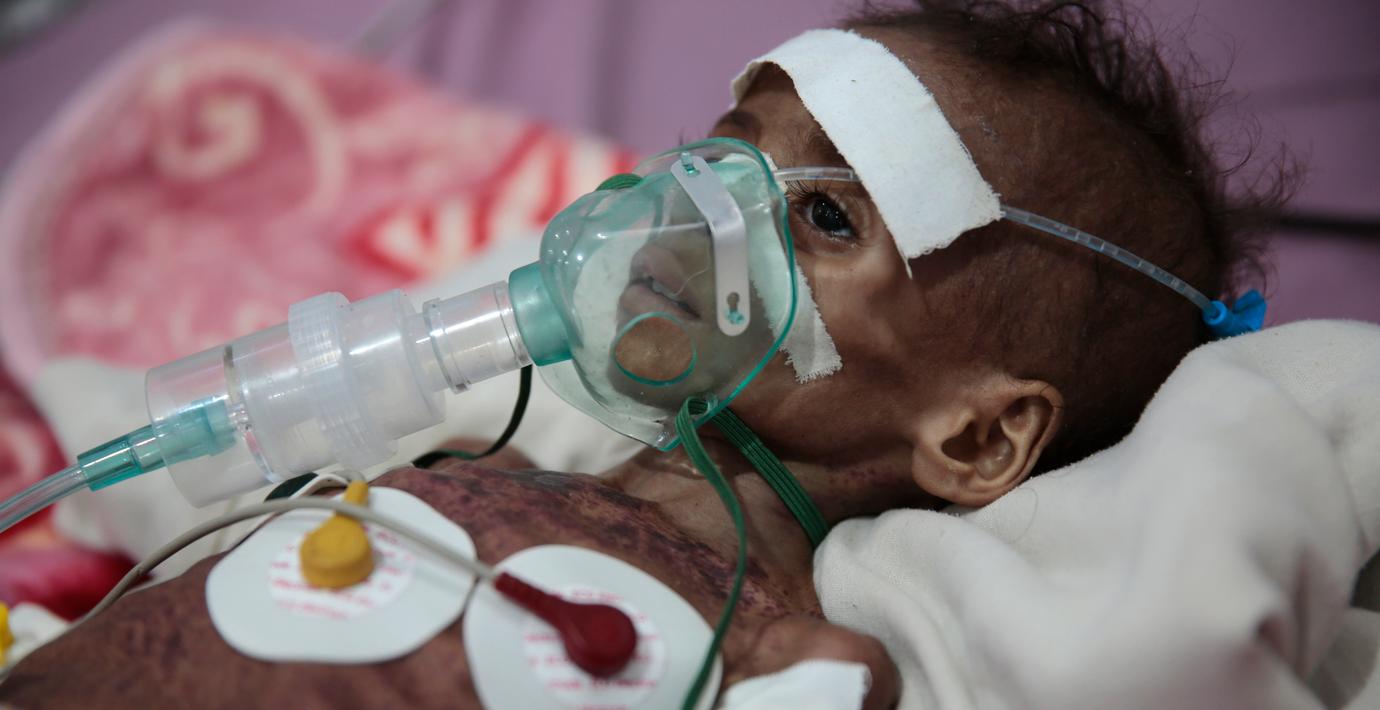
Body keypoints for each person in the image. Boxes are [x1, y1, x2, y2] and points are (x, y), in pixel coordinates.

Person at [0, 1, 1286, 707]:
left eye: (827, 217)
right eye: (724, 148)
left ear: (977, 433)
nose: (697, 206)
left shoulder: (794, 658)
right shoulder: (469, 454)